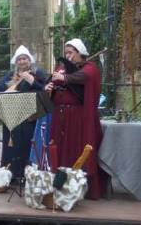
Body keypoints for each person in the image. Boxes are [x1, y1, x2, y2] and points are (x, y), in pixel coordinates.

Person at [45, 38, 105, 199]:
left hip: (78, 119)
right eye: (66, 53)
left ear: (80, 53)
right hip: (60, 117)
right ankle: (60, 187)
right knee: (60, 151)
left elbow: (83, 77)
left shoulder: (90, 68)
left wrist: (64, 78)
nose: (68, 56)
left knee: (76, 150)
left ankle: (80, 189)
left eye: (71, 52)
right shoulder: (62, 68)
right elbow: (54, 89)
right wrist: (49, 88)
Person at [0, 45, 47, 179]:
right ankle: (10, 175)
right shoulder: (11, 75)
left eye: (25, 59)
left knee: (26, 145)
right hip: (12, 118)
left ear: (29, 60)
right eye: (19, 59)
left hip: (29, 118)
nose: (22, 61)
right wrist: (12, 85)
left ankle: (25, 175)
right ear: (16, 62)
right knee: (10, 147)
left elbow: (45, 90)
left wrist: (31, 80)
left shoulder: (38, 73)